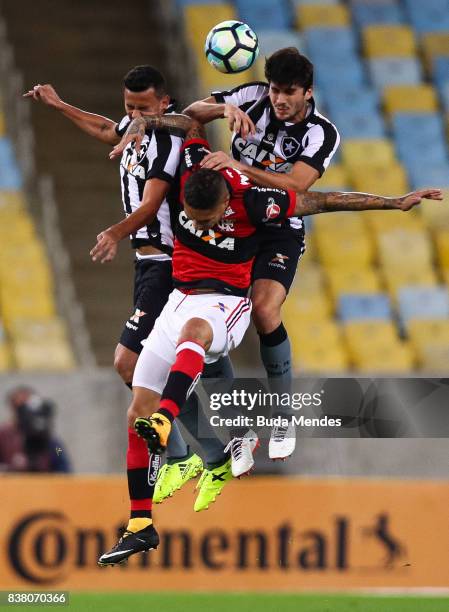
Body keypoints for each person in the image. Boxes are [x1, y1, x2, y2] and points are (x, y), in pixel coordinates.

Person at [97, 126, 442, 565]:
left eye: (208, 220)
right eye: (192, 218)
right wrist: (167, 120)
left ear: (225, 202)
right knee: (136, 408)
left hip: (225, 304)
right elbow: (188, 123)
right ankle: (141, 526)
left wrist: (393, 202)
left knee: (195, 337)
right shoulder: (192, 167)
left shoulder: (255, 201)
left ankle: (169, 420)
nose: (201, 227)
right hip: (177, 299)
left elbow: (322, 201)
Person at [24, 66, 233, 519]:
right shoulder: (136, 127)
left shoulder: (168, 141)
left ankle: (189, 454)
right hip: (147, 265)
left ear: (165, 104)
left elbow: (152, 204)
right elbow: (104, 127)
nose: (133, 115)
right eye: (128, 107)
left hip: (164, 263)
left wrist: (116, 233)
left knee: (129, 362)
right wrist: (60, 106)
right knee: (141, 370)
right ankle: (201, 452)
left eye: (143, 108)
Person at [183, 47, 340, 465]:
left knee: (265, 310)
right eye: (274, 90)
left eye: (288, 92)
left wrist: (241, 168)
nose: (278, 100)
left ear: (307, 92)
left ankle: (284, 415)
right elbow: (191, 113)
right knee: (211, 319)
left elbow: (297, 186)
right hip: (233, 217)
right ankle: (239, 430)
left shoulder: (321, 132)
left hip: (279, 225)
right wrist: (224, 112)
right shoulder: (252, 94)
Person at [0, 386, 71, 473]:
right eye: (21, 408)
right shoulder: (3, 437)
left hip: (44, 485)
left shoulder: (52, 442)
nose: (26, 413)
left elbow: (62, 462)